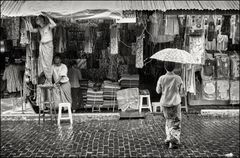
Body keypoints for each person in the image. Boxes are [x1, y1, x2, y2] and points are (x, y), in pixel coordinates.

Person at [156, 61, 184, 149]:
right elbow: (182, 92)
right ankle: (174, 141)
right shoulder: (178, 78)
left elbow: (158, 91)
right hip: (175, 102)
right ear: (174, 67)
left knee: (168, 121)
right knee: (176, 122)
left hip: (165, 103)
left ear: (165, 67)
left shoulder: (161, 78)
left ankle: (168, 138)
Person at [30, 14, 56, 84]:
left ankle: (49, 80)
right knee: (43, 63)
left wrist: (47, 16)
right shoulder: (39, 28)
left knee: (48, 63)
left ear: (42, 19)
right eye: (36, 19)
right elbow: (31, 30)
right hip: (42, 45)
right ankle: (46, 79)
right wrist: (27, 21)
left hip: (48, 45)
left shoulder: (48, 26)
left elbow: (54, 24)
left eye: (38, 19)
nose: (36, 20)